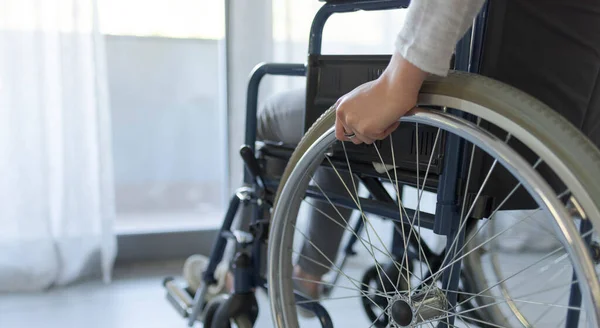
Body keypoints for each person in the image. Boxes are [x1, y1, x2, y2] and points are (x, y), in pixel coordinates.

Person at [187, 0, 600, 302]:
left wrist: (394, 84)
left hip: (454, 129)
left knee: (277, 114)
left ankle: (257, 268)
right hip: (555, 149)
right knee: (344, 121)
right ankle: (310, 270)